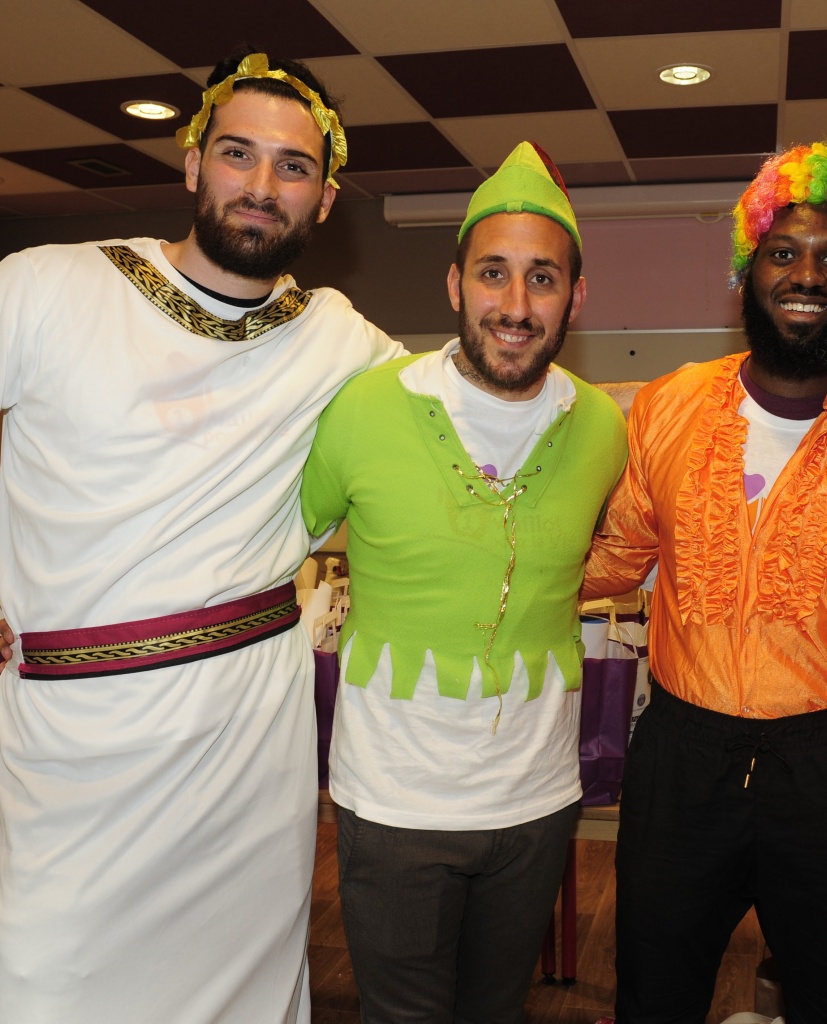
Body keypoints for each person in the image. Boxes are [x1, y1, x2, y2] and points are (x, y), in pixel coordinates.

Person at [0, 52, 404, 1023]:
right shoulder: (46, 288)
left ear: (327, 198)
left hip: (246, 757)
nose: (260, 186)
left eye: (291, 167)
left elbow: (478, 423)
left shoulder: (341, 341)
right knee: (55, 991)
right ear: (191, 164)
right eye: (236, 154)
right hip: (73, 761)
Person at [583, 141, 827, 1024]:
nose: (808, 274)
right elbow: (617, 556)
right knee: (653, 997)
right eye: (784, 252)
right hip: (680, 763)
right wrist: (500, 552)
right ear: (748, 270)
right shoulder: (671, 405)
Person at [299, 142, 628, 1024]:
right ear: (455, 286)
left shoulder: (602, 428)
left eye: (542, 279)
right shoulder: (365, 408)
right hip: (393, 800)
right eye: (493, 275)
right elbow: (262, 543)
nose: (515, 306)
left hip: (538, 801)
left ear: (577, 296)